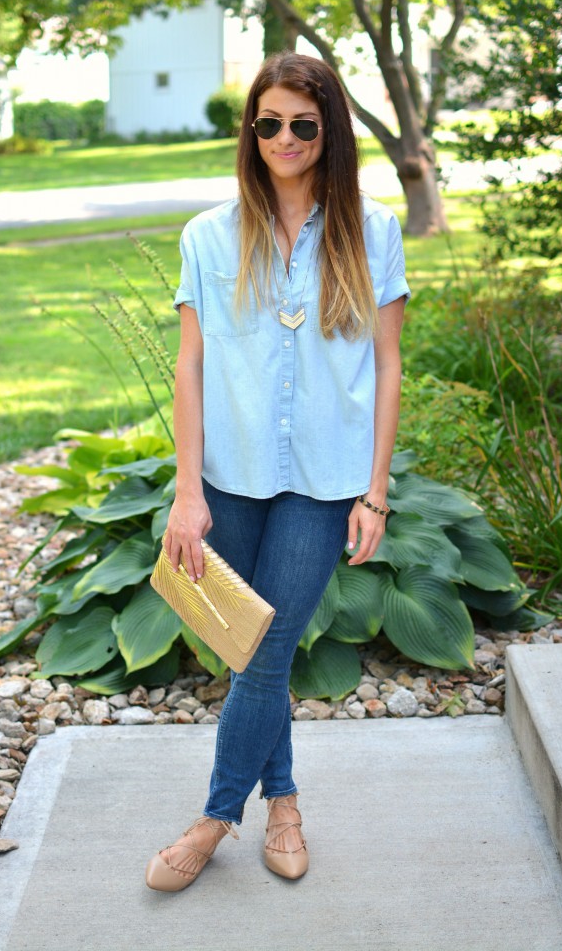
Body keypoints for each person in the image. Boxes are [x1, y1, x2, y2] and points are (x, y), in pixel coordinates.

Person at [145, 51, 410, 892]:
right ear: (250, 131)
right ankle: (284, 802)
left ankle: (214, 819)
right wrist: (187, 495)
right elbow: (186, 368)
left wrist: (376, 492)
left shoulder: (373, 233)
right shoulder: (207, 236)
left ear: (326, 130)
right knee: (247, 650)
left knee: (261, 653)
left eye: (302, 123)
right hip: (229, 477)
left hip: (324, 481)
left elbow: (389, 364)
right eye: (269, 123)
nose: (285, 137)